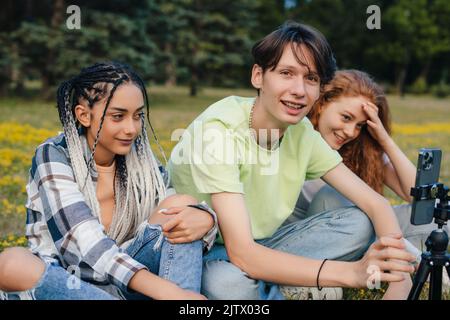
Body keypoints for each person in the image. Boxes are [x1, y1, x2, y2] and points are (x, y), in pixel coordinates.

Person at [167, 21, 416, 300]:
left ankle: (279, 277)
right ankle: (286, 280)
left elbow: (376, 203)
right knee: (228, 285)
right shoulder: (218, 130)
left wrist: (401, 283)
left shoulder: (302, 133)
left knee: (359, 224)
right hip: (211, 250)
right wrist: (352, 273)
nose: (300, 90)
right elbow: (242, 252)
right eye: (286, 73)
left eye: (311, 78)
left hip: (269, 245)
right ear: (258, 76)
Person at [0, 62, 218, 300]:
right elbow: (83, 245)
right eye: (118, 116)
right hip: (71, 286)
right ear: (83, 115)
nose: (132, 129)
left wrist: (206, 219)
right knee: (13, 264)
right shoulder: (54, 155)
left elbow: (172, 208)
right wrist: (170, 293)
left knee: (182, 207)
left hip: (128, 283)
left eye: (138, 116)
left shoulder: (140, 157)